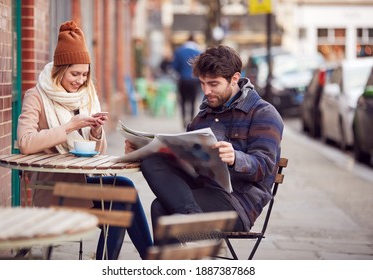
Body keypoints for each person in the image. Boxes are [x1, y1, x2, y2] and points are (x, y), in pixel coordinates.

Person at [17, 20, 152, 259]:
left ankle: (149, 261)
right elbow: (25, 142)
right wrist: (69, 126)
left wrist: (96, 132)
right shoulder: (36, 96)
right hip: (54, 187)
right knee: (119, 204)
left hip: (84, 180)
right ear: (59, 70)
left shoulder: (84, 97)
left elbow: (96, 152)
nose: (80, 80)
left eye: (85, 74)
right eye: (74, 74)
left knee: (126, 190)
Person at [128, 45, 284, 237]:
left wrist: (236, 158)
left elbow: (265, 166)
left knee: (161, 208)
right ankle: (192, 218)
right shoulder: (203, 116)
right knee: (152, 160)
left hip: (238, 202)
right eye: (202, 83)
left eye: (213, 84)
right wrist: (144, 149)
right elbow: (186, 162)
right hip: (203, 189)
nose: (206, 90)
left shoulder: (263, 113)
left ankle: (186, 226)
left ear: (234, 78)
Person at [172, 34, 201, 128]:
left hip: (183, 80)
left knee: (183, 101)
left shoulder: (179, 51)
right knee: (193, 101)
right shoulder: (198, 51)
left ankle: (184, 121)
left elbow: (174, 66)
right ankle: (192, 121)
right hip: (194, 81)